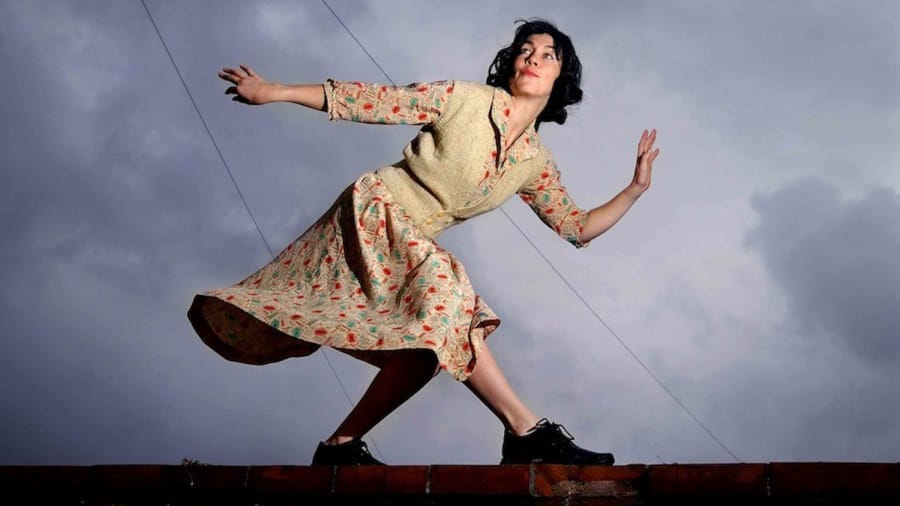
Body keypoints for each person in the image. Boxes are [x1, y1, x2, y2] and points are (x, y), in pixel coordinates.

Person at [189, 19, 659, 466]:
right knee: (448, 290)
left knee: (432, 350)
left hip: (412, 243)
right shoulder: (463, 99)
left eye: (548, 55)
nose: (533, 59)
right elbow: (372, 100)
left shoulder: (534, 162)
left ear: (562, 75)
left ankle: (341, 445)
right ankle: (525, 432)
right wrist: (276, 91)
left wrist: (634, 190)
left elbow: (576, 227)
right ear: (511, 63)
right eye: (524, 51)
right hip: (375, 213)